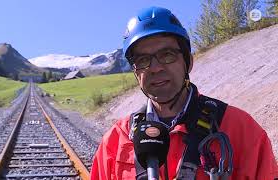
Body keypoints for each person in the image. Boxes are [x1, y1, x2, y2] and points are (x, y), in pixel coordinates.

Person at [91, 6, 278, 180]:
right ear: (135, 72)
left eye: (167, 55)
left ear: (188, 61)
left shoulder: (240, 130)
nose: (155, 68)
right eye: (143, 60)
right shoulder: (116, 140)